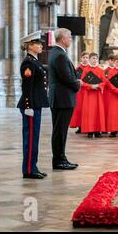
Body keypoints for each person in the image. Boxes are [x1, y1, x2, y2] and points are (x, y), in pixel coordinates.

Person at [17, 31, 49, 179]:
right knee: (30, 138)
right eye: (38, 44)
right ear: (30, 46)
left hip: (36, 104)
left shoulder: (34, 61)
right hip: (31, 105)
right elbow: (27, 87)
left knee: (34, 137)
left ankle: (33, 166)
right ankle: (29, 170)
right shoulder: (28, 63)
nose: (41, 46)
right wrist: (28, 106)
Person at [48, 28, 81, 170]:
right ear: (62, 39)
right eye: (69, 37)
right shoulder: (60, 55)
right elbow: (67, 78)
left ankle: (60, 158)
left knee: (59, 131)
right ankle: (59, 160)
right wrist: (78, 83)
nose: (71, 39)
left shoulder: (56, 53)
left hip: (59, 98)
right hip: (62, 99)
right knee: (60, 131)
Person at [80, 53, 106, 138]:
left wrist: (98, 86)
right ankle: (90, 131)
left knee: (97, 112)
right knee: (89, 113)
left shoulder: (100, 70)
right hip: (89, 94)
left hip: (97, 94)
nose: (94, 60)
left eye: (96, 59)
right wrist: (90, 86)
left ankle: (97, 131)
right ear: (90, 59)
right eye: (93, 58)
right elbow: (82, 82)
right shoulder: (86, 70)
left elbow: (104, 81)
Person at [70, 51, 90, 134]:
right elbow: (73, 79)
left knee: (88, 109)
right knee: (79, 109)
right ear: (81, 58)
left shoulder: (90, 68)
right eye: (84, 57)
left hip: (88, 91)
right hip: (80, 92)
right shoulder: (77, 69)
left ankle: (88, 126)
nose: (85, 59)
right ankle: (80, 126)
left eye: (87, 58)